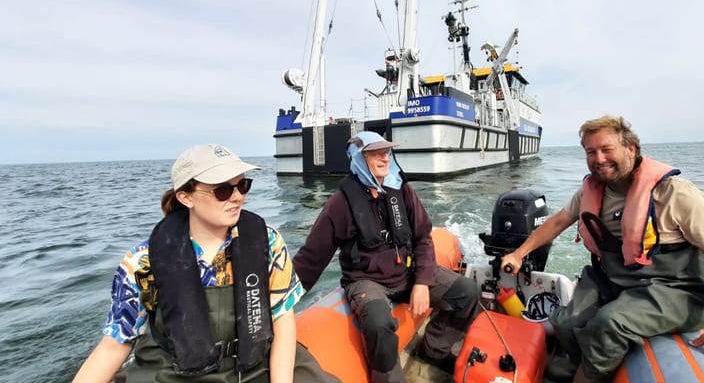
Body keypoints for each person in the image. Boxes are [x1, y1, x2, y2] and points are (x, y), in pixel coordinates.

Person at [500, 116, 704, 383]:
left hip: (676, 288)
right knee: (565, 322)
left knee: (609, 323)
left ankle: (586, 376)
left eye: (606, 149)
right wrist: (519, 254)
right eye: (591, 152)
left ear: (631, 149)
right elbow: (557, 222)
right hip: (614, 277)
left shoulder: (676, 194)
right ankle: (577, 360)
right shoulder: (592, 190)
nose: (599, 158)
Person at [72, 143, 339, 383]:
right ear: (185, 197)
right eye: (222, 190)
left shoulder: (268, 242)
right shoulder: (141, 263)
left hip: (257, 369)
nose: (236, 196)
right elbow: (114, 344)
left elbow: (282, 321)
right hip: (175, 374)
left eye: (242, 185)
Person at [293, 131, 480, 383]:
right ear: (359, 158)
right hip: (366, 281)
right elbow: (311, 259)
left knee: (467, 292)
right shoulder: (340, 204)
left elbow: (423, 237)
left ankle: (433, 350)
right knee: (379, 324)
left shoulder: (401, 190)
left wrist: (423, 282)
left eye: (387, 152)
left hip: (407, 272)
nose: (384, 157)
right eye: (376, 153)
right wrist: (278, 304)